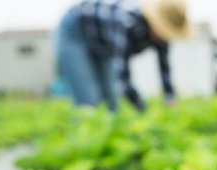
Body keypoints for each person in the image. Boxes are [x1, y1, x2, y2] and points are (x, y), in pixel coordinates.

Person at [57, 0, 190, 111]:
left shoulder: (160, 37)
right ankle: (84, 139)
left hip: (103, 41)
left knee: (111, 102)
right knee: (88, 101)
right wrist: (141, 108)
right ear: (155, 23)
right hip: (75, 30)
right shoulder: (127, 22)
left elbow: (164, 68)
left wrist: (170, 98)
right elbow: (122, 74)